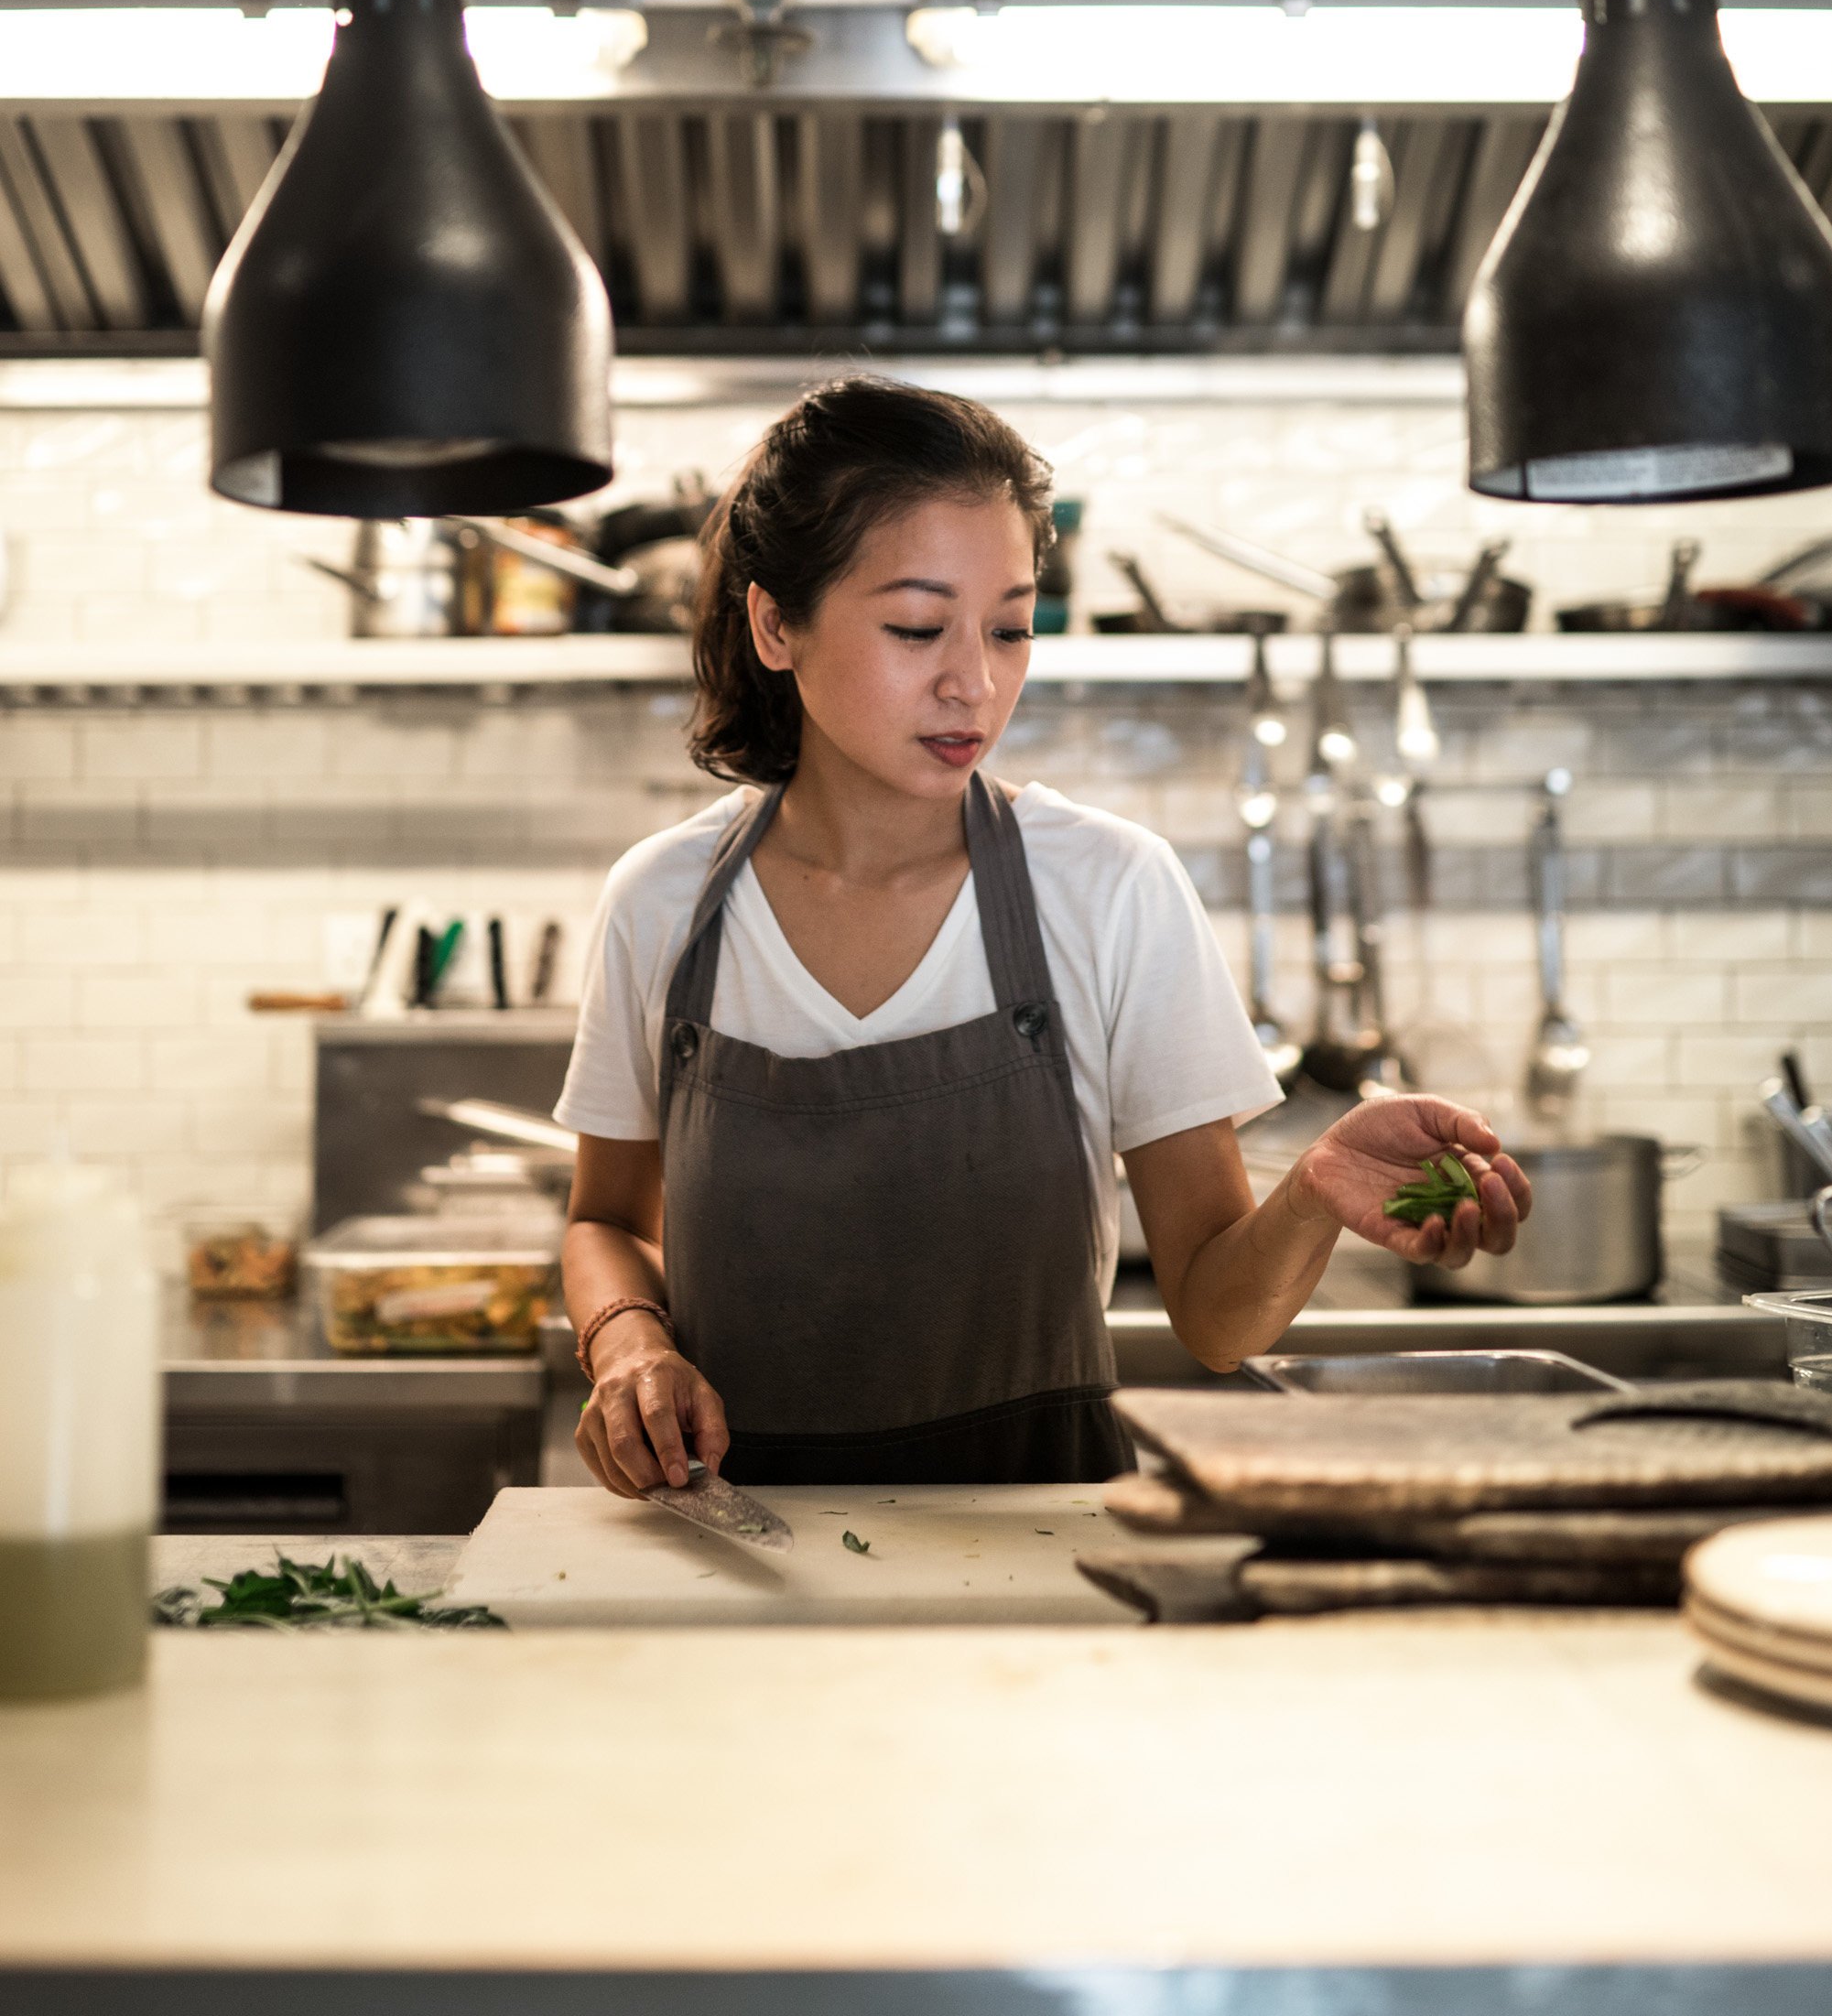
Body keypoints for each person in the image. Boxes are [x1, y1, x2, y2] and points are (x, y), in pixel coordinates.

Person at [558, 376, 1530, 1492]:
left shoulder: (1109, 889)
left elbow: (1217, 1321)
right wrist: (629, 1338)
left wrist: (1313, 1193)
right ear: (777, 624)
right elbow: (604, 1220)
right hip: (734, 1540)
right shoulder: (665, 903)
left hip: (1036, 1547)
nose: (975, 680)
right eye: (918, 626)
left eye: (1012, 627)